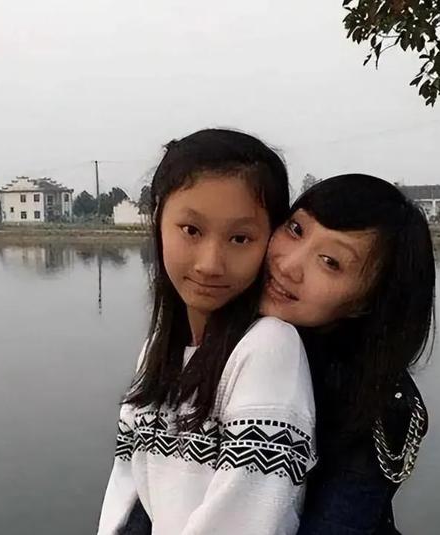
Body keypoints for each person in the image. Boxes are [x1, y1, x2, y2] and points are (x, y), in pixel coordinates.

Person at [121, 173, 434, 535]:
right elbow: (153, 492)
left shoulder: (378, 401)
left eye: (330, 262)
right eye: (296, 230)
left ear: (366, 302)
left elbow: (338, 524)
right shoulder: (222, 337)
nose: (288, 265)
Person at [97, 128, 317, 535]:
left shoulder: (268, 348)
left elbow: (246, 520)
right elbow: (124, 496)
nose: (211, 263)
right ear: (158, 220)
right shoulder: (157, 352)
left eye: (240, 238)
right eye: (192, 231)